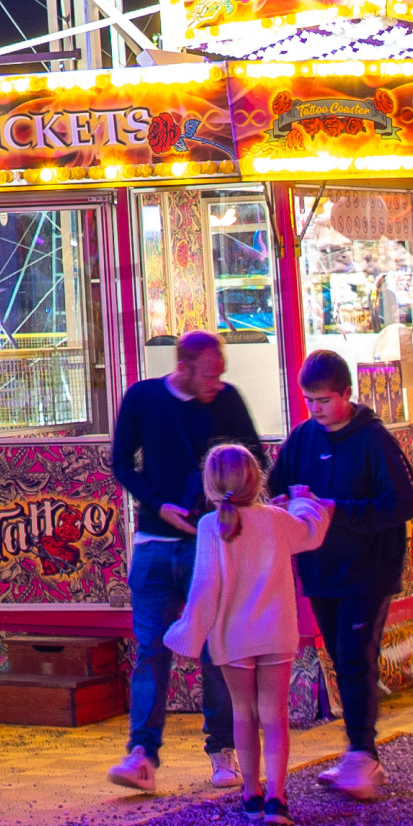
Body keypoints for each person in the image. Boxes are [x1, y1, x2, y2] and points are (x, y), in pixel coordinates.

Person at [102, 327, 263, 796]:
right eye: (210, 375)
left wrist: (226, 504)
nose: (217, 383)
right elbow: (121, 462)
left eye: (221, 374)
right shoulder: (143, 398)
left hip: (207, 542)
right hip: (154, 540)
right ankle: (141, 755)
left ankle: (222, 751)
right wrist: (159, 505)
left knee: (215, 648)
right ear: (184, 368)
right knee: (152, 650)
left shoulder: (228, 402)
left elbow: (254, 458)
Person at [270, 348, 413, 798]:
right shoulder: (302, 439)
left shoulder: (374, 440)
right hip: (321, 569)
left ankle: (363, 755)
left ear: (347, 394)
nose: (315, 410)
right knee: (340, 654)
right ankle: (358, 753)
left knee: (355, 654)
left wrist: (339, 510)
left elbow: (403, 504)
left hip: (368, 568)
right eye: (308, 401)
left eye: (323, 400)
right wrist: (283, 504)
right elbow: (275, 487)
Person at [174, 440, 330, 826]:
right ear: (257, 479)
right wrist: (301, 501)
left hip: (232, 636)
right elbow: (312, 533)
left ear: (210, 486)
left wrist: (188, 634)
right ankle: (278, 798)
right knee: (275, 715)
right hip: (277, 631)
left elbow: (205, 587)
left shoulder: (211, 527)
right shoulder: (276, 520)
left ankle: (251, 795)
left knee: (243, 714)